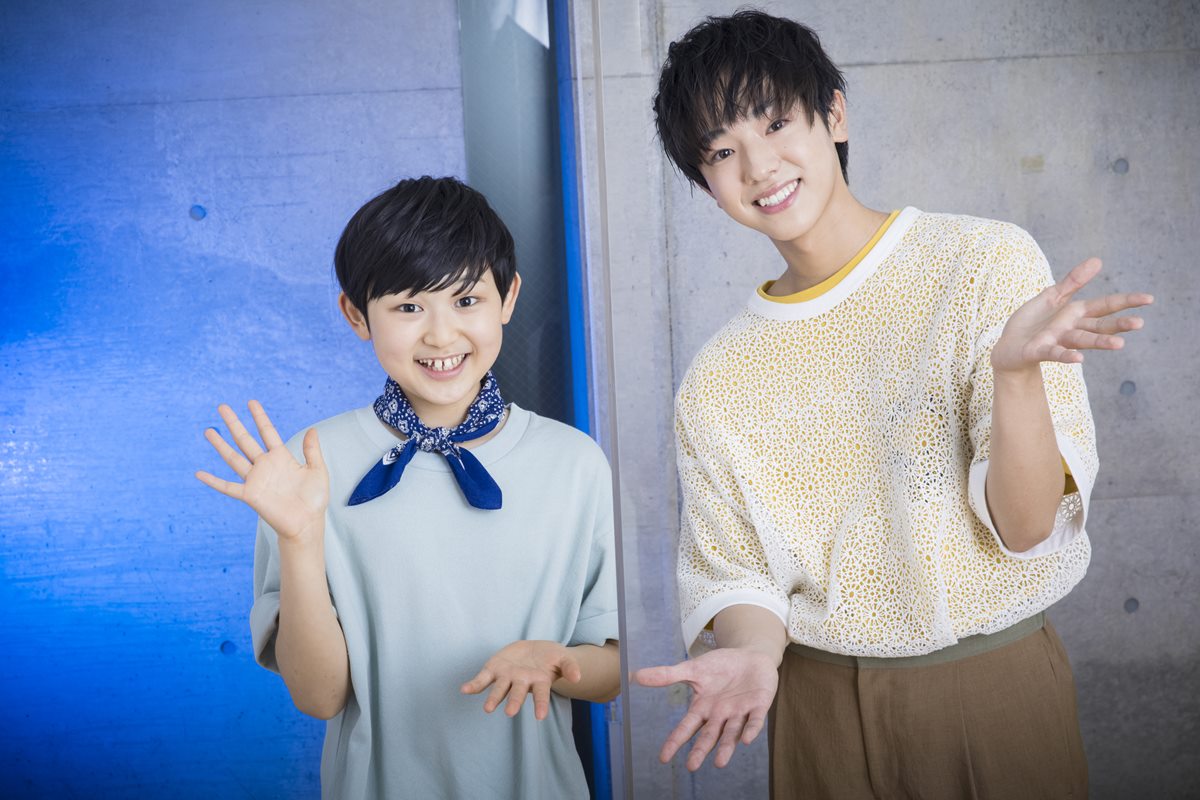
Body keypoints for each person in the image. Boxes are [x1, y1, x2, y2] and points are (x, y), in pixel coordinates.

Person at [632, 9, 1152, 798]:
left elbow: (1026, 527)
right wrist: (752, 652)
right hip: (815, 713)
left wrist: (1013, 377)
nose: (760, 166)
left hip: (990, 690)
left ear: (834, 114)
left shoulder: (982, 263)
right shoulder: (717, 376)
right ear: (706, 184)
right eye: (722, 151)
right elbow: (736, 573)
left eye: (776, 123)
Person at [195, 176, 619, 799]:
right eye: (409, 307)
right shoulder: (306, 467)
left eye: (467, 300)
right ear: (356, 314)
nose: (441, 335)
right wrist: (300, 539)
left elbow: (613, 667)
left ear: (508, 298)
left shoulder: (573, 463)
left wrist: (560, 663)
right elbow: (318, 697)